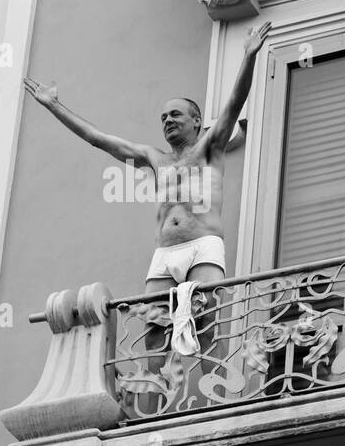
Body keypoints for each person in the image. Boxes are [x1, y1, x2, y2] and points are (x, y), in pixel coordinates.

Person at [24, 23, 272, 373]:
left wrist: (248, 57)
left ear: (196, 120)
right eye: (163, 117)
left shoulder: (209, 146)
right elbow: (98, 138)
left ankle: (215, 398)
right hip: (165, 253)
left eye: (175, 114)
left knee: (205, 322)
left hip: (203, 245)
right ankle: (152, 409)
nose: (167, 120)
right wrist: (54, 106)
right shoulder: (154, 158)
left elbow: (235, 102)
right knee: (154, 330)